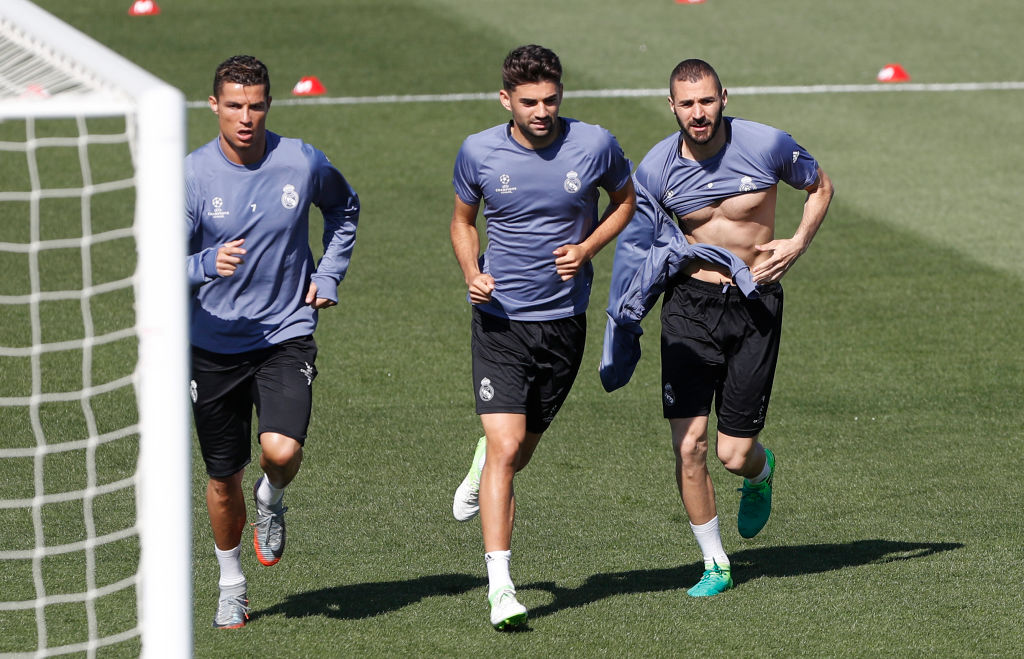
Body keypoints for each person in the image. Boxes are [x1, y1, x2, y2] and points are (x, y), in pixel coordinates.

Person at [609, 58, 833, 597]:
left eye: (706, 101)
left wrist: (797, 242)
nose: (698, 113)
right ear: (672, 107)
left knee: (733, 453)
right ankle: (714, 563)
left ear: (723, 97)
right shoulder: (657, 169)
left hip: (755, 303)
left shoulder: (767, 144)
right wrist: (623, 321)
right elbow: (636, 248)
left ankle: (761, 472)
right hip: (689, 306)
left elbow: (820, 186)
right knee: (689, 447)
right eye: (686, 104)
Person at [448, 45, 636, 629]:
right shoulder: (478, 151)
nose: (541, 111)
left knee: (517, 451)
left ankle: (487, 457)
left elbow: (625, 201)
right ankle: (501, 587)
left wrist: (586, 248)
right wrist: (472, 275)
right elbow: (461, 221)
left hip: (562, 325)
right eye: (529, 101)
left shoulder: (595, 144)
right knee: (508, 448)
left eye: (550, 99)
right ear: (506, 99)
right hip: (500, 322)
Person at [185, 55, 359, 628]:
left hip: (286, 331)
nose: (245, 118)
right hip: (211, 344)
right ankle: (231, 582)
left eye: (256, 106)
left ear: (268, 106)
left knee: (281, 452)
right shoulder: (190, 177)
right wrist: (207, 262)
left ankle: (272, 499)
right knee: (221, 476)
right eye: (234, 106)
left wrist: (328, 274)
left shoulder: (300, 161)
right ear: (214, 106)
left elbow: (344, 207)